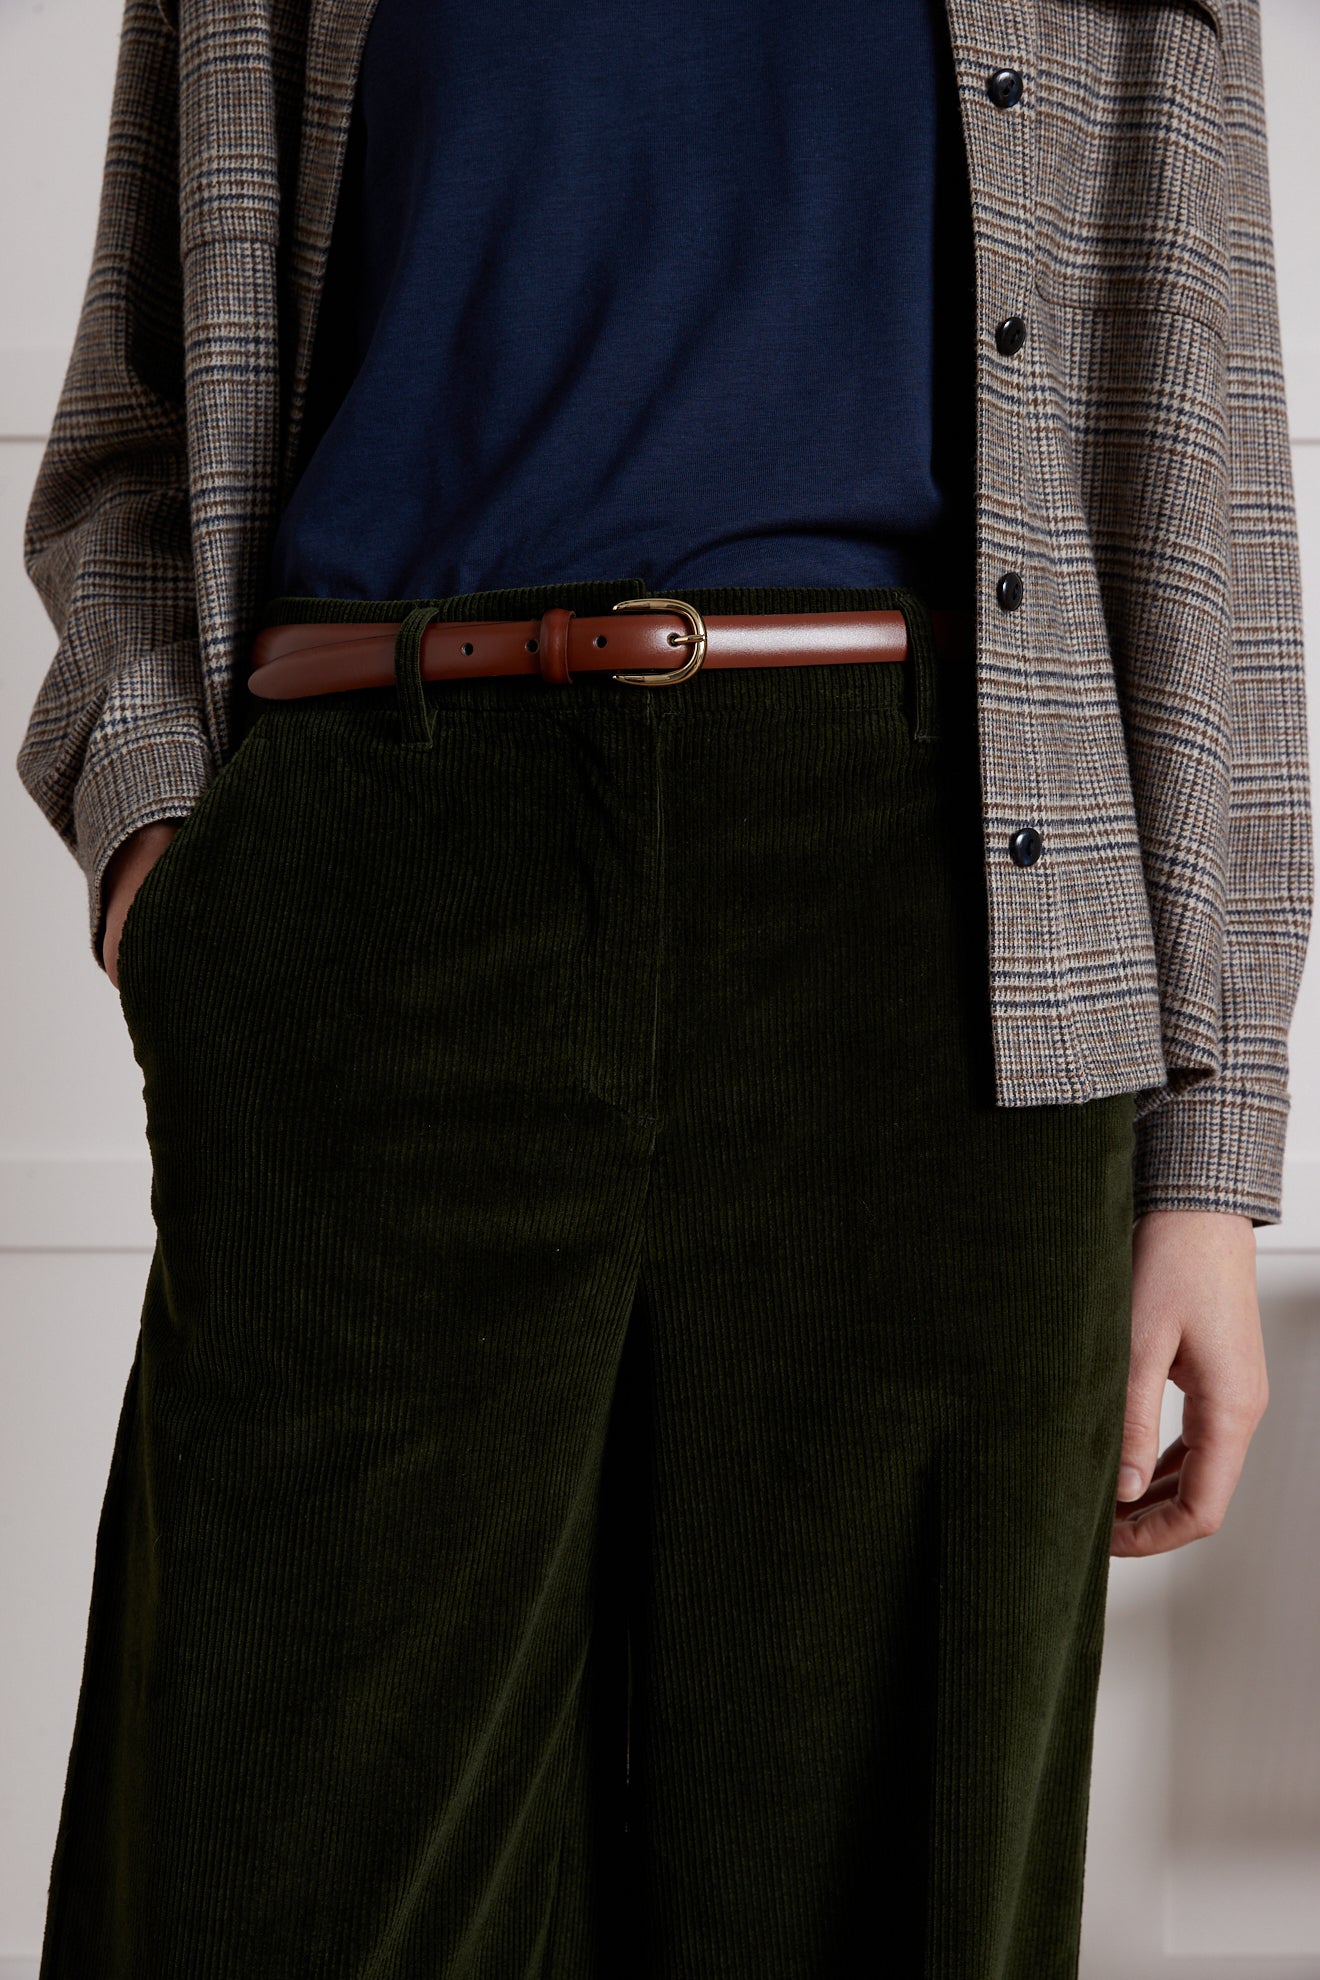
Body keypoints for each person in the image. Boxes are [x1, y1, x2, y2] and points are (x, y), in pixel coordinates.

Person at [16, 0, 1312, 1973]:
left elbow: (1195, 433)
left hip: (954, 916)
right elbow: (135, 412)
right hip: (389, 857)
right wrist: (164, 871)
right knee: (277, 1867)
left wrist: (1207, 1151)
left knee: (891, 1896)